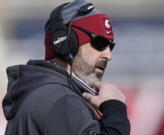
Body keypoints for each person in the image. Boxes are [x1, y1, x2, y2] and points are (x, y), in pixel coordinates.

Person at [2, 0, 130, 135]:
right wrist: (115, 108)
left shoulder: (46, 92)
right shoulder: (59, 100)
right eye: (100, 43)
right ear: (66, 44)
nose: (108, 55)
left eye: (111, 46)